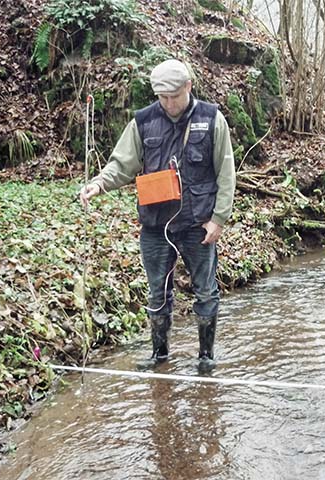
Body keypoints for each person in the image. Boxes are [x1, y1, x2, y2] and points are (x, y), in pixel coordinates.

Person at [78, 59, 236, 372]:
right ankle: (159, 355)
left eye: (173, 96)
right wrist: (98, 184)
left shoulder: (212, 118)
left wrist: (219, 218)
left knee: (205, 290)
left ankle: (205, 356)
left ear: (188, 87)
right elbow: (121, 165)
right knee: (157, 292)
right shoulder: (143, 121)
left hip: (197, 224)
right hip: (155, 225)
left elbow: (226, 172)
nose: (168, 103)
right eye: (162, 97)